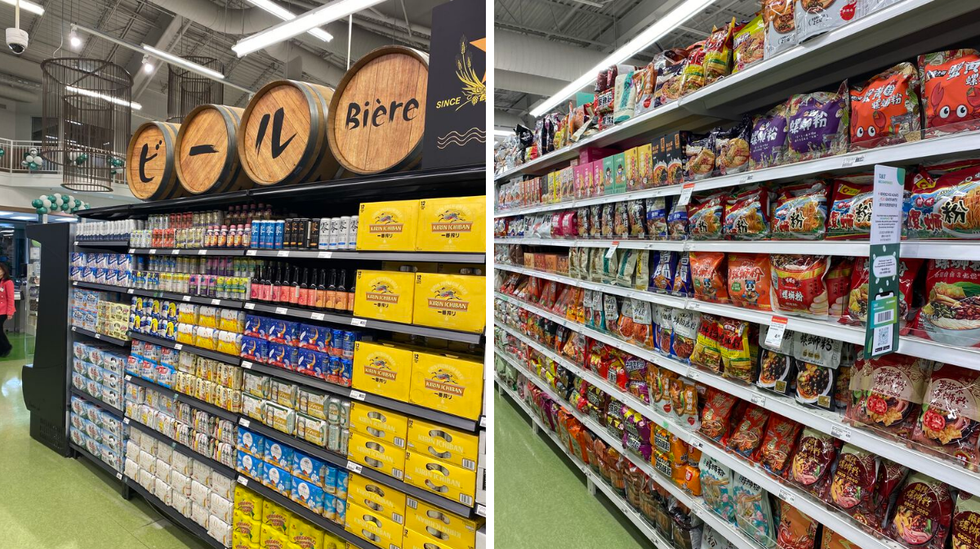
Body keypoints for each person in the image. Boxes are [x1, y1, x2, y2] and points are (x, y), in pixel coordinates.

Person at [0, 263, 14, 357]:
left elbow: (10, 298)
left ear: (4, 271)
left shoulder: (8, 282)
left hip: (3, 311)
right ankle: (3, 348)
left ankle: (6, 347)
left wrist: (10, 312)